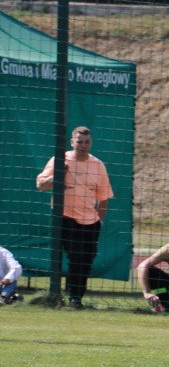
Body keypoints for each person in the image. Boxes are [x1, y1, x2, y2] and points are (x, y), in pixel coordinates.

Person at [36, 126, 113, 309]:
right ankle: (74, 297)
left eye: (87, 142)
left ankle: (76, 296)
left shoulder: (98, 165)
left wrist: (99, 221)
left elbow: (103, 198)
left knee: (87, 259)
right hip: (66, 216)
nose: (83, 145)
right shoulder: (60, 159)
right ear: (72, 142)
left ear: (91, 143)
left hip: (90, 221)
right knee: (76, 256)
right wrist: (58, 175)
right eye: (79, 141)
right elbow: (40, 185)